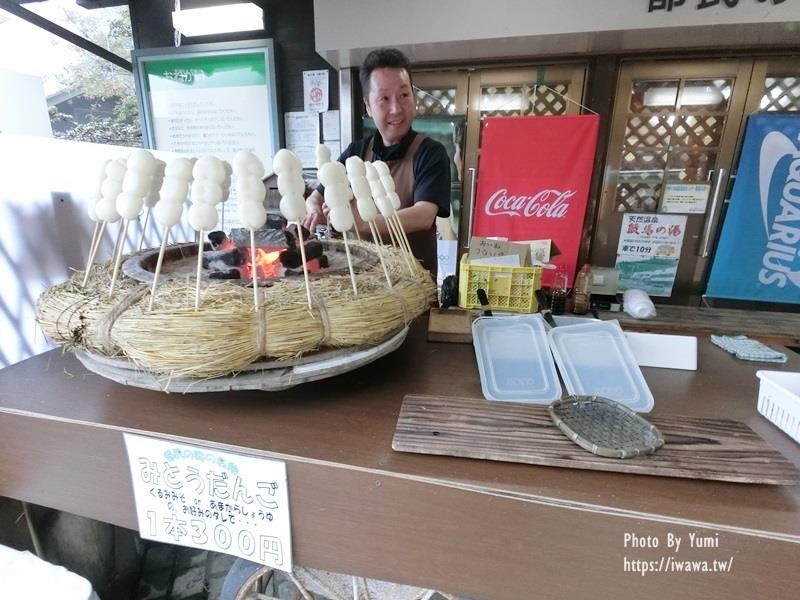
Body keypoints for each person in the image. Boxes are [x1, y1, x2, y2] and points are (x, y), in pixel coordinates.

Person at [302, 48, 451, 277]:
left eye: (404, 95)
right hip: (366, 289)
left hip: (414, 289)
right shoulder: (356, 153)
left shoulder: (430, 152)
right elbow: (318, 195)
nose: (396, 108)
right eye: (384, 98)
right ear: (368, 106)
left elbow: (424, 215)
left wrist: (364, 223)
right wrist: (315, 210)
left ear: (414, 97)